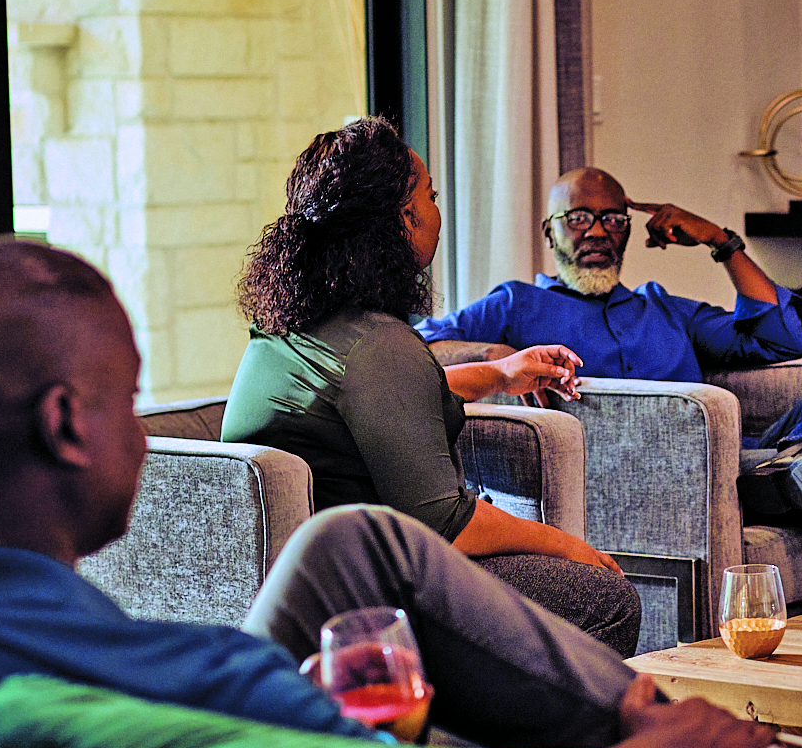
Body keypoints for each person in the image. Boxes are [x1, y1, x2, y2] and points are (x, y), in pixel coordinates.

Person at [0, 241, 802, 748]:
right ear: (64, 425)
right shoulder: (196, 690)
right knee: (444, 571)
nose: (146, 438)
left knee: (362, 541)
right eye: (125, 400)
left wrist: (483, 379)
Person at [222, 118, 643, 656]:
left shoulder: (297, 324)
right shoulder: (377, 342)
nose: (438, 212)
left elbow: (377, 402)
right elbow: (446, 523)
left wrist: (499, 374)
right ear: (405, 218)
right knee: (604, 599)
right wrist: (567, 545)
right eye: (431, 195)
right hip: (373, 598)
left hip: (305, 592)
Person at [416, 166, 802, 602]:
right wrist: (495, 356)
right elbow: (422, 349)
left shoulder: (663, 307)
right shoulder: (516, 305)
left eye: (612, 219)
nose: (597, 231)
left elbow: (782, 337)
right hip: (670, 474)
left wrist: (719, 239)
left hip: (741, 454)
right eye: (579, 218)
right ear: (550, 232)